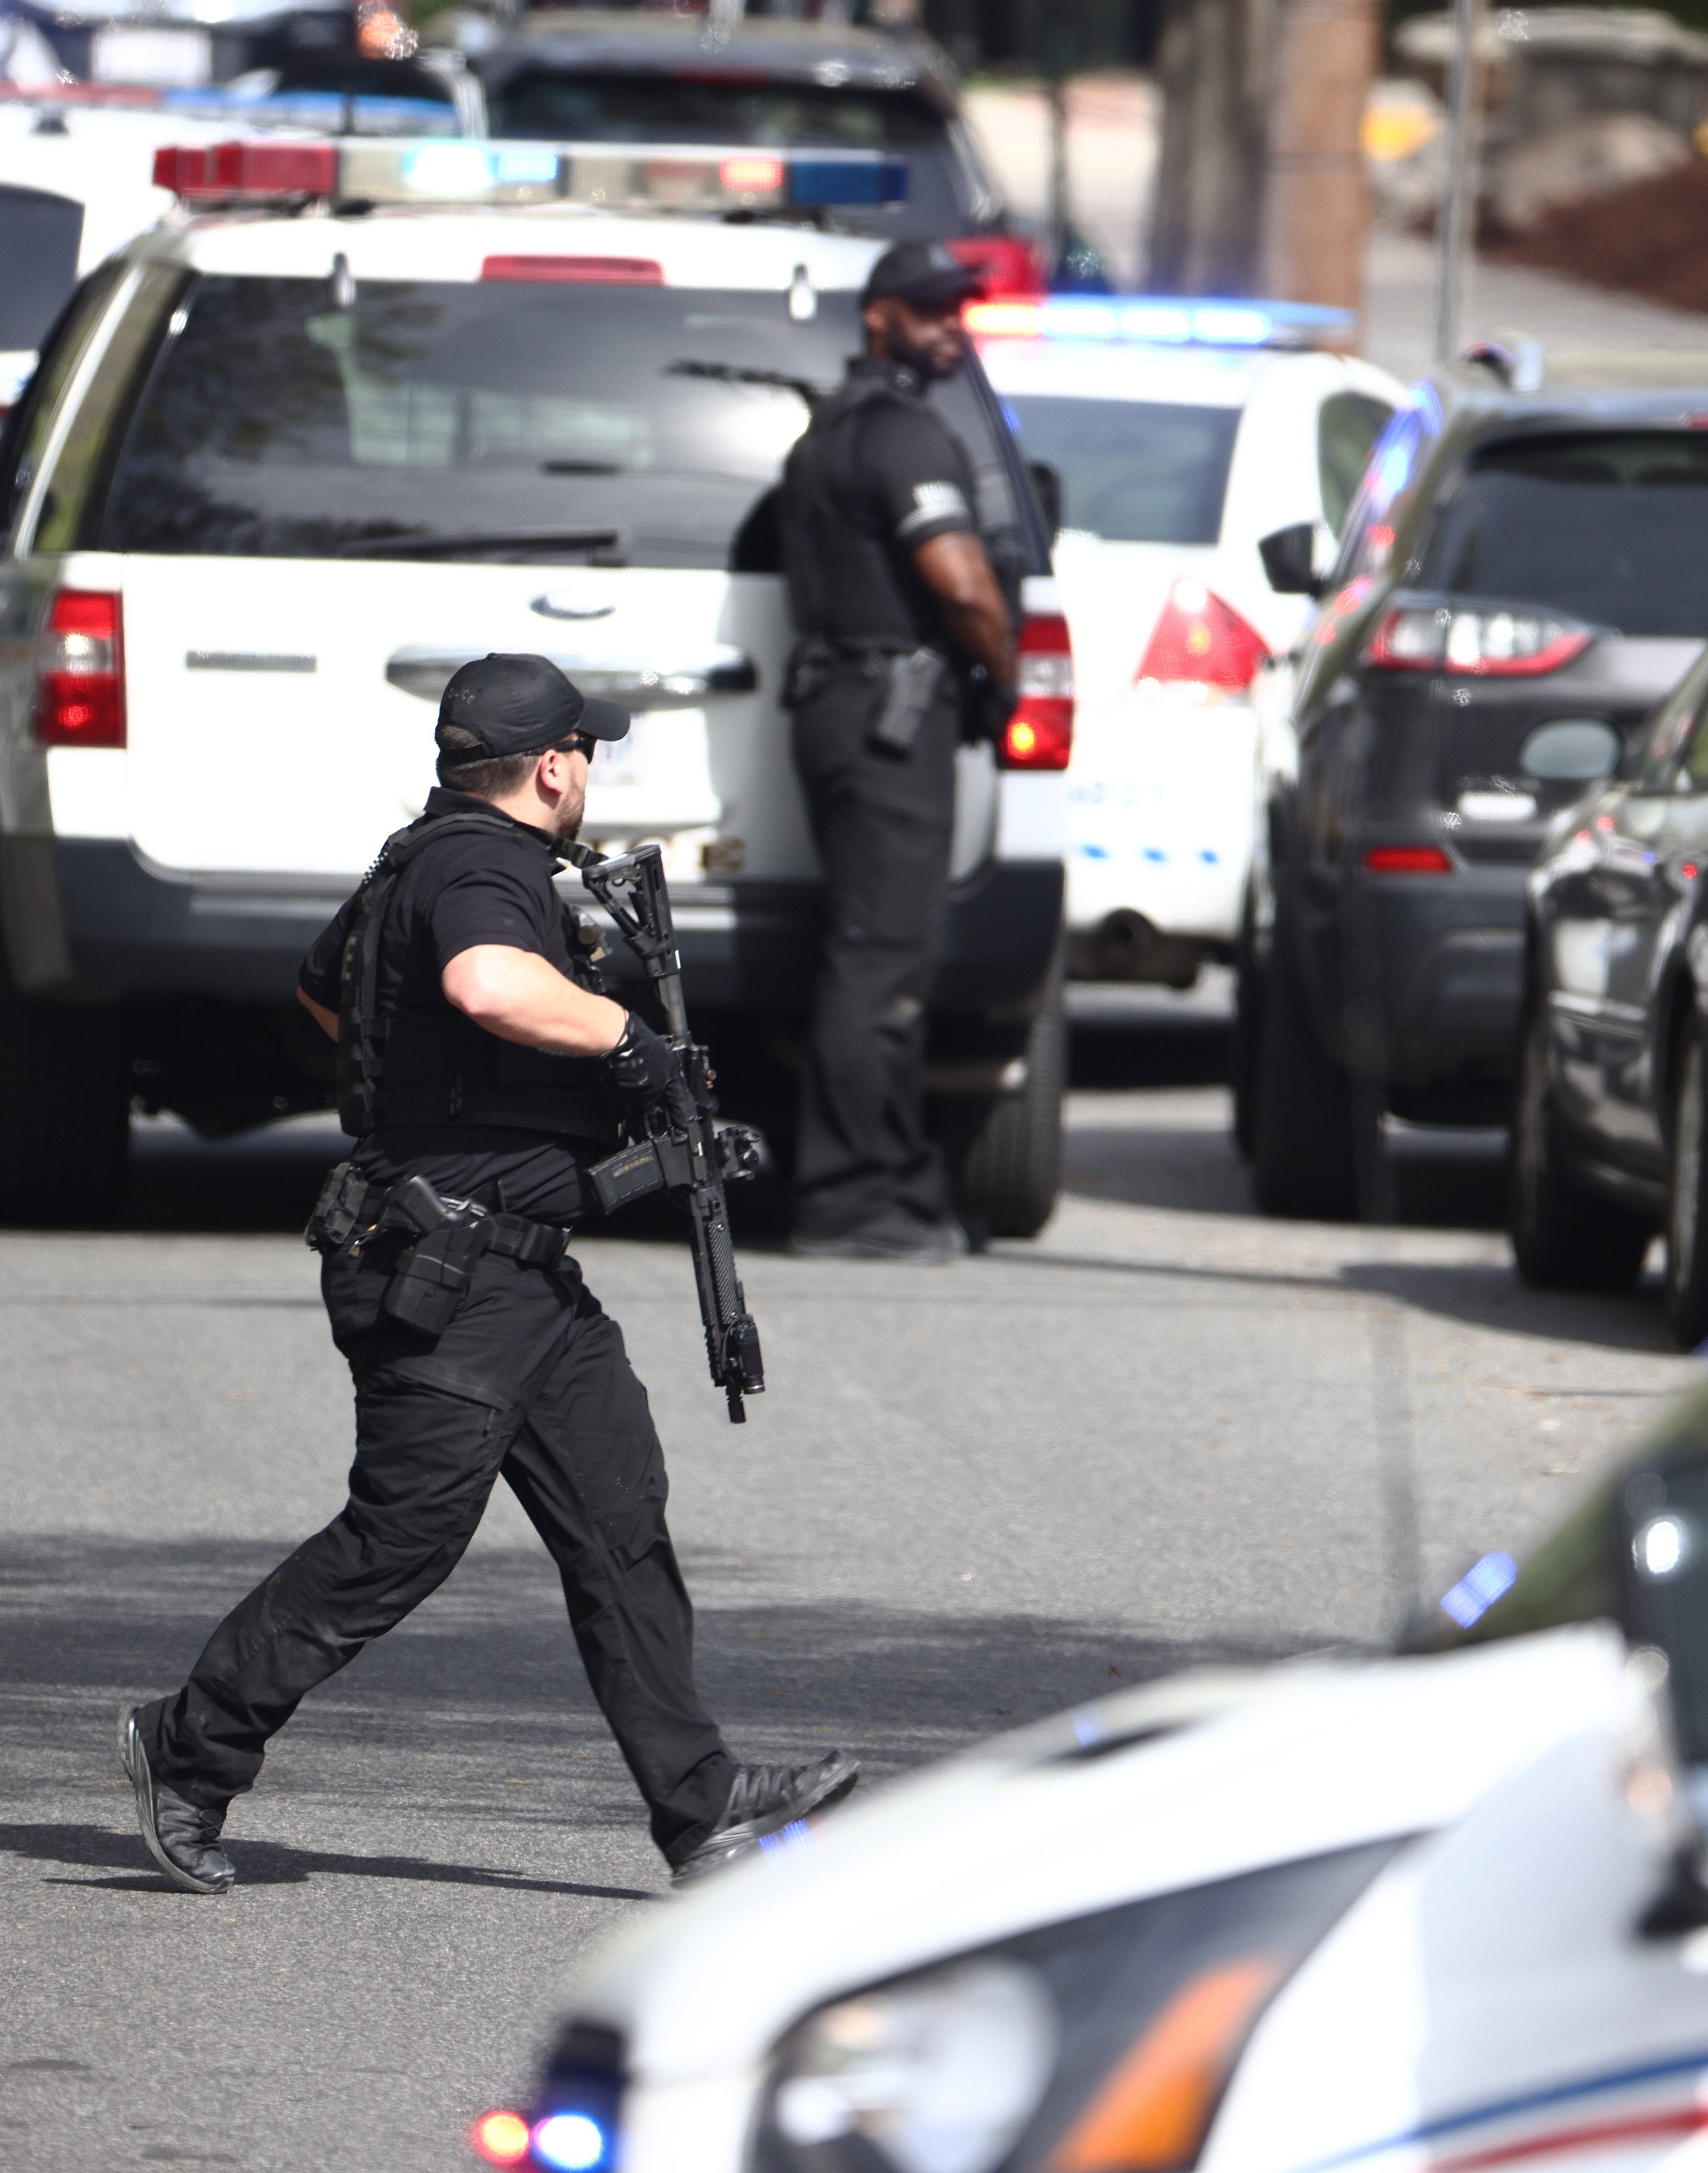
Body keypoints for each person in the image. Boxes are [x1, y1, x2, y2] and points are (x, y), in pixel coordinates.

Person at [124, 654, 859, 1892]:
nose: (591, 773)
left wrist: (445, 1089)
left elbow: (328, 991)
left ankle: (702, 1806)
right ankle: (187, 1748)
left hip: (521, 1278)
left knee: (619, 1517)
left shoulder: (420, 857)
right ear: (555, 766)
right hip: (449, 1274)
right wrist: (623, 1039)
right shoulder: (485, 868)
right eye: (589, 753)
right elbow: (482, 980)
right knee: (399, 1543)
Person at [775, 238, 1020, 1261]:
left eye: (958, 310)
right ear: (879, 316)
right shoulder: (904, 437)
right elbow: (963, 587)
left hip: (844, 706)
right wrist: (1005, 674)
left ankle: (890, 1177)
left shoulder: (833, 427)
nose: (950, 328)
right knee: (881, 965)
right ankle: (850, 1197)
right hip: (888, 717)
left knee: (870, 957)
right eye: (930, 311)